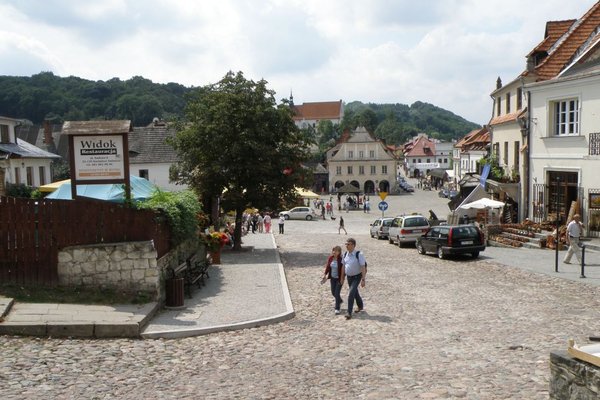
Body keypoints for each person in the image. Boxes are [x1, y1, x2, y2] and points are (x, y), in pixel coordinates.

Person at [342, 238, 367, 320]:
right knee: (355, 292)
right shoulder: (345, 254)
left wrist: (363, 279)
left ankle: (349, 312)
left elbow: (363, 266)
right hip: (349, 277)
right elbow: (343, 266)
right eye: (346, 244)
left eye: (348, 244)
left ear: (353, 245)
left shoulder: (359, 254)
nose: (346, 246)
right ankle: (360, 306)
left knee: (351, 292)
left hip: (357, 276)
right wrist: (342, 277)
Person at [320, 245, 345, 315]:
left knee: (337, 293)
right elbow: (328, 267)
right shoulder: (330, 258)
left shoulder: (341, 259)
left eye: (336, 251)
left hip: (339, 279)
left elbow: (343, 270)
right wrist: (325, 274)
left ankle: (337, 308)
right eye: (333, 250)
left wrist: (342, 278)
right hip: (333, 278)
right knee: (333, 293)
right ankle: (339, 300)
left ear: (339, 252)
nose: (334, 252)